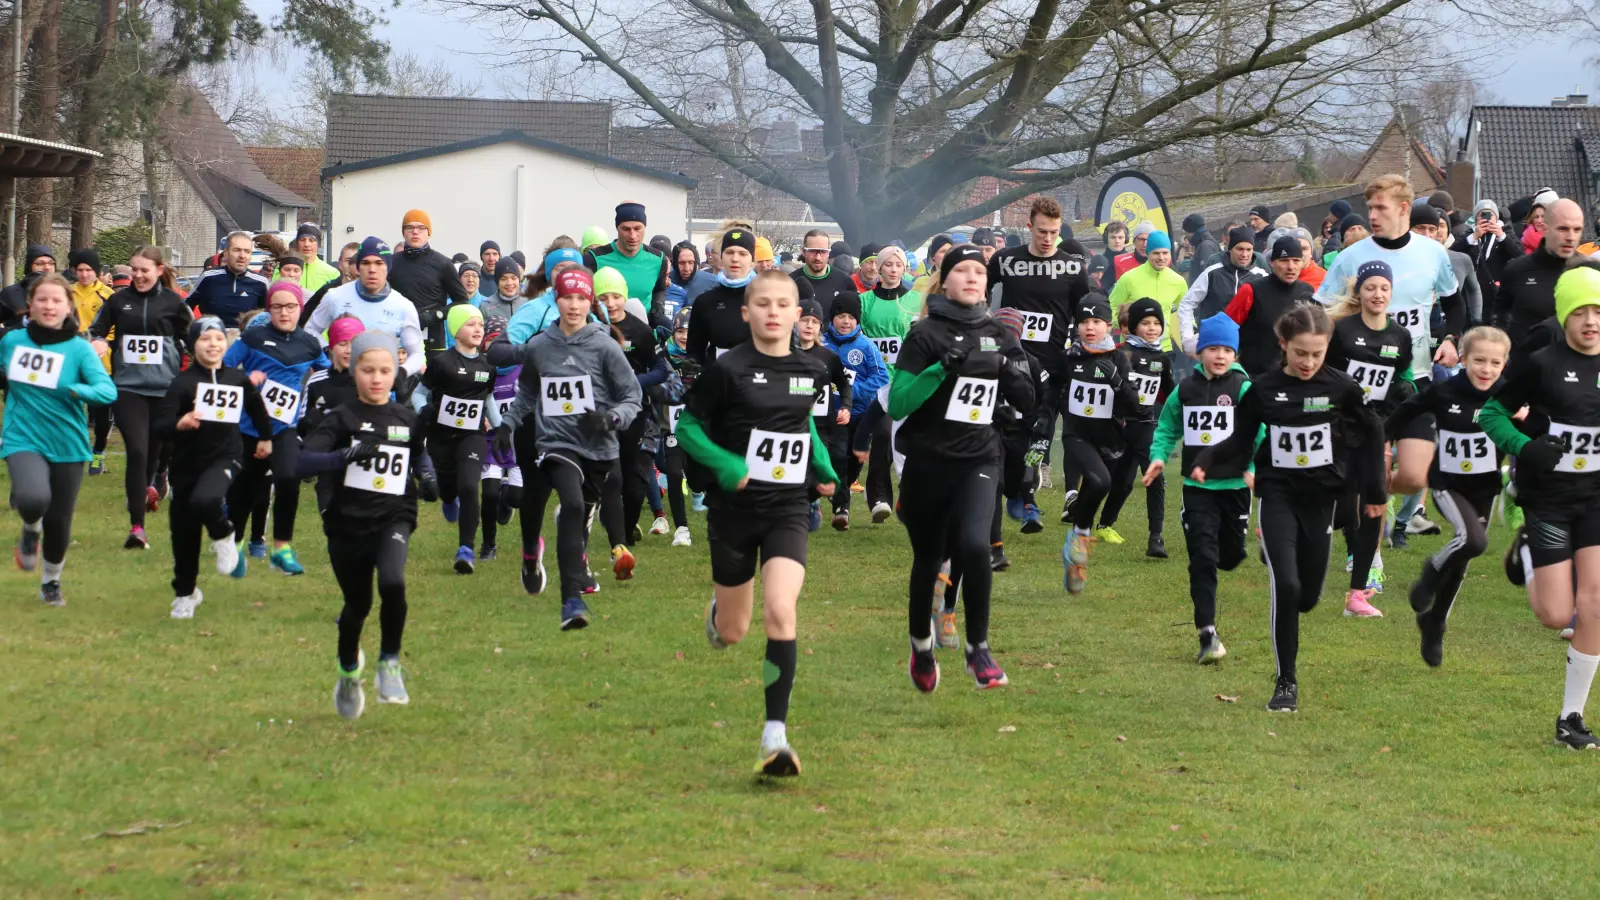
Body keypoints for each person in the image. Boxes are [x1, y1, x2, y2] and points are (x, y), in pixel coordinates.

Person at [675, 269, 839, 775]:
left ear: (798, 314)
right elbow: (687, 427)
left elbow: (801, 421)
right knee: (735, 630)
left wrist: (824, 466)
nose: (772, 312)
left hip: (787, 508)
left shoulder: (812, 369)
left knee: (781, 612)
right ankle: (719, 618)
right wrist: (725, 464)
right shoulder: (727, 371)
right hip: (733, 512)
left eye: (782, 304)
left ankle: (776, 736)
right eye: (762, 304)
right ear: (746, 313)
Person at [1191, 304, 1385, 713]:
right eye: (1300, 353)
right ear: (1284, 344)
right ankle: (1285, 683)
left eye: (1317, 353)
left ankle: (1285, 568)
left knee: (1309, 596)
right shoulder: (1262, 389)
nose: (1308, 362)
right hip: (1278, 496)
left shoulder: (1342, 389)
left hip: (1322, 501)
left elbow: (1371, 434)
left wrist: (1374, 492)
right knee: (1288, 587)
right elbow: (1241, 440)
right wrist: (1208, 459)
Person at [891, 244, 1034, 692]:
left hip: (980, 456)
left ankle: (979, 651)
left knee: (976, 545)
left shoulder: (999, 333)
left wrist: (1010, 377)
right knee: (929, 558)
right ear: (944, 278)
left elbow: (1029, 400)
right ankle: (920, 644)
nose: (973, 278)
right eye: (963, 271)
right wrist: (938, 370)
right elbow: (898, 402)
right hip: (930, 461)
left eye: (980, 272)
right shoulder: (924, 335)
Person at [1479, 264, 1600, 747]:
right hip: (1547, 499)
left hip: (1595, 497)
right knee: (1555, 615)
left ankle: (1570, 718)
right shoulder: (1541, 363)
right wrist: (1524, 447)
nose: (1591, 320)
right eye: (1581, 311)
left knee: (1594, 606)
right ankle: (1526, 548)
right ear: (1564, 315)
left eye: (1598, 310)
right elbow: (1490, 412)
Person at [493, 268, 643, 628]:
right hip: (555, 442)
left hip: (599, 447)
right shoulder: (541, 345)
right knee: (571, 505)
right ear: (555, 299)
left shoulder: (605, 345)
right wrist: (508, 425)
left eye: (580, 298)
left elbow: (632, 396)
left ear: (590, 301)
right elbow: (528, 390)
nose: (574, 305)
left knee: (578, 516)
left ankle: (564, 574)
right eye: (567, 298)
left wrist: (611, 420)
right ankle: (571, 603)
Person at [296, 330, 424, 719]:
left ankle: (389, 663)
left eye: (385, 370)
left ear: (394, 373)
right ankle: (349, 673)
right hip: (347, 524)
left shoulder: (405, 416)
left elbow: (418, 457)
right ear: (355, 373)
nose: (376, 378)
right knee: (357, 605)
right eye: (367, 370)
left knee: (393, 582)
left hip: (394, 516)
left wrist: (430, 477)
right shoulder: (342, 417)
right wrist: (343, 457)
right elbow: (302, 462)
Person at [1386, 325, 1509, 667]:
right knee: (1474, 541)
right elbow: (1405, 412)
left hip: (1484, 488)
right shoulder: (1444, 391)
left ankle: (1434, 621)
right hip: (1446, 483)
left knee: (1464, 556)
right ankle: (1431, 569)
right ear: (1464, 359)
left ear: (1504, 365)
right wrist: (1383, 441)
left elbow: (1534, 429)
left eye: (1494, 363)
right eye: (1479, 361)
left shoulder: (1509, 396)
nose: (1486, 369)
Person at [0, 273, 117, 607]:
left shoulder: (79, 349)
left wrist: (79, 390)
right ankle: (29, 527)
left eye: (56, 301)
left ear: (68, 307)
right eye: (42, 300)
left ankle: (51, 582)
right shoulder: (12, 342)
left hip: (67, 442)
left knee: (60, 520)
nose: (48, 306)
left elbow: (106, 390)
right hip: (23, 436)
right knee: (33, 497)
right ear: (30, 306)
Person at [1143, 313, 1253, 663]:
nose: (1220, 356)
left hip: (1236, 486)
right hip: (1197, 487)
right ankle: (1207, 633)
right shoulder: (1185, 389)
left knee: (1232, 557)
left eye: (1227, 350)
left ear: (1235, 355)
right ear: (1199, 352)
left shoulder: (1244, 389)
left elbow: (1261, 431)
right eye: (1212, 349)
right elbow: (1166, 427)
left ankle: (1229, 540)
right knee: (1202, 558)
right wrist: (1159, 457)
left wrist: (1253, 467)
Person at [157, 316, 273, 616]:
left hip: (226, 456)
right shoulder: (182, 383)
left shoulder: (236, 378)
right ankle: (186, 593)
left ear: (227, 343)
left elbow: (257, 407)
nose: (213, 344)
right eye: (205, 339)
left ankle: (224, 535)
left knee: (206, 499)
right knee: (183, 534)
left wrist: (265, 438)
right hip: (185, 466)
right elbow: (160, 424)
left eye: (219, 338)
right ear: (193, 345)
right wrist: (179, 422)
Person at [1325, 261, 1415, 618]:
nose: (1377, 294)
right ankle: (1289, 521)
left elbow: (1404, 377)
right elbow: (1323, 372)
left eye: (1383, 288)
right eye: (1370, 288)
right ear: (1358, 293)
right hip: (1338, 427)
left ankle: (1357, 595)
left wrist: (1407, 393)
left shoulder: (1399, 335)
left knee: (1374, 506)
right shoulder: (1342, 331)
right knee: (1346, 507)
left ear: (1391, 293)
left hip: (1377, 428)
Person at [88, 245, 193, 550]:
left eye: (144, 270)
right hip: (128, 388)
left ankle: (159, 474)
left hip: (166, 390)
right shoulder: (118, 300)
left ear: (160, 270)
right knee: (136, 450)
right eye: (134, 270)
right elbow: (97, 329)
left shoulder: (174, 302)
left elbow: (192, 339)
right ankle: (137, 528)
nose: (138, 275)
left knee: (157, 451)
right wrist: (99, 343)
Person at [221, 280, 327, 575]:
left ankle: (282, 547)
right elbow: (224, 371)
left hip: (284, 428)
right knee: (245, 489)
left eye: (290, 306)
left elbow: (327, 374)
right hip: (249, 428)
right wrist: (246, 380)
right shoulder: (253, 337)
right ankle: (236, 546)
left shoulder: (309, 344)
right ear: (269, 309)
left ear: (300, 309)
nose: (284, 312)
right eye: (277, 306)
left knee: (289, 477)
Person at [989, 197, 1093, 494]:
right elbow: (982, 291)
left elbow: (1083, 312)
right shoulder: (1006, 260)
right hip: (1011, 357)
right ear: (1029, 226)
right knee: (1007, 423)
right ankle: (1008, 478)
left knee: (1043, 423)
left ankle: (1036, 475)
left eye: (1054, 232)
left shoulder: (1072, 269)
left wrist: (1078, 344)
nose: (1048, 238)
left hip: (1052, 360)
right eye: (1042, 231)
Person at [1038, 294, 1137, 594]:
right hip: (1077, 434)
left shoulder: (1119, 358)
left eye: (1096, 322)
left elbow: (1134, 406)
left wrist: (1118, 383)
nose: (1090, 328)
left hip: (1111, 440)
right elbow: (1052, 393)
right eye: (1084, 322)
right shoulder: (1069, 359)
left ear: (1109, 326)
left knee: (1100, 485)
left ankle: (1078, 539)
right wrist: (1043, 420)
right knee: (1100, 481)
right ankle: (1080, 540)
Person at [421, 304, 508, 574]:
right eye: (471, 324)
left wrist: (501, 427)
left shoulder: (487, 365)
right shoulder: (441, 363)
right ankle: (448, 500)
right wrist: (424, 411)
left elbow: (488, 398)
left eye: (480, 325)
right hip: (440, 438)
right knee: (448, 489)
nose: (478, 329)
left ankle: (466, 550)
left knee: (470, 487)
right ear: (456, 330)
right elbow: (419, 393)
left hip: (472, 436)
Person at [593, 266, 670, 544]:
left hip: (637, 415)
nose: (611, 303)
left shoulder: (640, 331)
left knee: (635, 487)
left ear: (624, 297)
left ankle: (624, 532)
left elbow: (661, 369)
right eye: (603, 297)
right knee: (611, 480)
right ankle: (618, 540)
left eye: (616, 296)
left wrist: (632, 381)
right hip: (602, 416)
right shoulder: (589, 330)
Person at [1096, 298, 1175, 557]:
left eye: (1156, 323)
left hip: (1146, 427)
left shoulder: (1162, 359)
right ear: (1131, 327)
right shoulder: (1121, 354)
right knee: (1122, 482)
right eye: (1145, 323)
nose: (1152, 328)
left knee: (1155, 477)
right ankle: (1104, 524)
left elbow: (1168, 393)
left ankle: (1156, 538)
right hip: (1119, 427)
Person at [304, 237, 425, 376]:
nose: (372, 269)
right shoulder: (335, 296)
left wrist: (401, 373)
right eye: (365, 263)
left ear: (388, 267)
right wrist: (327, 351)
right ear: (358, 267)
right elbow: (310, 330)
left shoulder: (403, 306)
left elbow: (416, 354)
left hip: (380, 386)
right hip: (341, 384)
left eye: (379, 263)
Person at [822, 291, 891, 522]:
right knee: (837, 457)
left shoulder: (866, 346)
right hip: (832, 415)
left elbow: (881, 377)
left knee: (853, 460)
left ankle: (843, 490)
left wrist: (851, 390)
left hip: (860, 413)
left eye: (851, 317)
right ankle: (842, 507)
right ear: (832, 318)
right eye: (841, 316)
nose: (846, 321)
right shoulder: (821, 345)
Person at [794, 297, 852, 530]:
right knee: (803, 467)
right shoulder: (785, 355)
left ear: (821, 327)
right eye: (804, 320)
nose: (809, 326)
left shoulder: (828, 357)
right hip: (794, 424)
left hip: (825, 424)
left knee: (832, 459)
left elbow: (845, 384)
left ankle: (839, 506)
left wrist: (846, 406)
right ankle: (809, 502)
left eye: (815, 322)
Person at [1495, 197, 1584, 345]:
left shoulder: (1590, 271)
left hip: (1574, 366)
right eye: (1563, 228)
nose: (1571, 237)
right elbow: (1499, 314)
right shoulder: (1516, 270)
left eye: (1577, 230)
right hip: (1524, 363)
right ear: (1544, 228)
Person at [1225, 235, 1317, 375]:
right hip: (1255, 377)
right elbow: (1225, 328)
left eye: (1296, 261)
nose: (1290, 267)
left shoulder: (1307, 291)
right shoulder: (1251, 290)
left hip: (1293, 375)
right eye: (1284, 260)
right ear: (1272, 262)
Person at [300, 316, 364, 514]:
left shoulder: (370, 380)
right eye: (342, 343)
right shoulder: (317, 381)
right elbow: (300, 425)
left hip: (363, 462)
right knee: (333, 523)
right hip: (329, 462)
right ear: (331, 347)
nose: (348, 350)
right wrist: (311, 422)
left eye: (354, 344)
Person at [386, 209, 470, 351]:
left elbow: (462, 301)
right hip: (397, 338)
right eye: (410, 227)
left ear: (429, 233)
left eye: (421, 228)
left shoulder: (443, 264)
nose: (415, 232)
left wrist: (434, 315)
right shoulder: (391, 263)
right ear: (403, 232)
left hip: (432, 340)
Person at [1179, 226, 1267, 355]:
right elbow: (1187, 303)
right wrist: (1188, 338)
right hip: (1215, 345)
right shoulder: (1212, 273)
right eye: (1240, 249)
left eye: (1249, 249)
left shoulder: (1261, 276)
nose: (1245, 254)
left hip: (1249, 348)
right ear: (1230, 249)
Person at [1108, 230, 1188, 368]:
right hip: (1132, 348)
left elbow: (1186, 312)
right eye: (1156, 253)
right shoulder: (1129, 278)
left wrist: (1190, 335)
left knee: (1163, 389)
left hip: (1163, 348)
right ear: (1148, 253)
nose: (1161, 257)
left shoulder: (1178, 281)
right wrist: (1125, 327)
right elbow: (1110, 308)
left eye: (1165, 253)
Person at [584, 202, 671, 327]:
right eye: (626, 229)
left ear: (645, 227)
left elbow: (659, 289)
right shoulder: (593, 259)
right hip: (606, 333)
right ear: (617, 228)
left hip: (642, 333)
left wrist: (658, 305)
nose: (632, 235)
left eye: (637, 228)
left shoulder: (658, 259)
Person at [66, 248, 113, 475]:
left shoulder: (108, 295)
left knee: (101, 415)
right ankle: (73, 453)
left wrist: (102, 343)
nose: (84, 275)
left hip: (100, 363)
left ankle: (98, 454)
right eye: (80, 270)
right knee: (72, 409)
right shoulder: (67, 293)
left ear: (97, 271)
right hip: (72, 361)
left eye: (89, 270)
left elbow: (116, 328)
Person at [659, 308, 704, 545]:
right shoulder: (663, 355)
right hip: (672, 428)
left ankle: (698, 491)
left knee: (698, 477)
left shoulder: (703, 356)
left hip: (698, 428)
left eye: (689, 331)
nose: (685, 336)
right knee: (675, 473)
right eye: (680, 331)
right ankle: (682, 529)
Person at [687, 228, 759, 362]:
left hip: (757, 378)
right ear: (721, 257)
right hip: (718, 378)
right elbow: (694, 355)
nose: (735, 259)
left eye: (742, 254)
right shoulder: (705, 302)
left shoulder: (766, 300)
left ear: (752, 260)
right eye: (729, 252)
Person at [1452, 200, 1523, 330]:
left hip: (1495, 296)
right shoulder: (1468, 234)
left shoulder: (1506, 234)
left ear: (1497, 217)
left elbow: (1519, 256)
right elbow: (1453, 254)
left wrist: (1501, 236)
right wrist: (1473, 237)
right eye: (1482, 215)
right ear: (1475, 218)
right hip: (1471, 296)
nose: (1487, 219)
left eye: (1490, 215)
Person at [192, 232, 270, 324]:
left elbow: (270, 314)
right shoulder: (208, 277)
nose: (242, 256)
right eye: (237, 250)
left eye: (247, 251)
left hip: (246, 337)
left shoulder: (261, 282)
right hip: (214, 336)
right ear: (226, 253)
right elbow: (185, 306)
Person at [790, 230, 857, 319]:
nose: (818, 257)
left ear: (829, 253)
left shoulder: (845, 281)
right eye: (812, 251)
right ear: (803, 251)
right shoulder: (790, 282)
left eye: (823, 251)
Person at [301, 242, 359, 328]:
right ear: (340, 264)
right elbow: (304, 320)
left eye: (357, 261)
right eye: (348, 261)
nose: (353, 265)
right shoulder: (327, 291)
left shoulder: (370, 290)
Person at [667, 242, 716, 318]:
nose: (686, 269)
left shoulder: (712, 281)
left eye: (691, 262)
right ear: (674, 263)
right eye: (682, 263)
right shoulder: (664, 280)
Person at [286, 223, 340, 292]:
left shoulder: (332, 273)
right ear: (297, 243)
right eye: (302, 240)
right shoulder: (285, 269)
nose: (306, 244)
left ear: (319, 244)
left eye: (311, 240)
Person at [476, 258, 525, 322]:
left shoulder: (528, 302)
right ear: (497, 282)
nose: (509, 283)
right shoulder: (486, 306)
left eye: (513, 278)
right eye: (504, 279)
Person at [1181, 215, 1220, 283]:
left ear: (1191, 231)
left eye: (1186, 232)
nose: (1186, 236)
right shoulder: (1205, 243)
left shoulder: (1205, 246)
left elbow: (1207, 276)